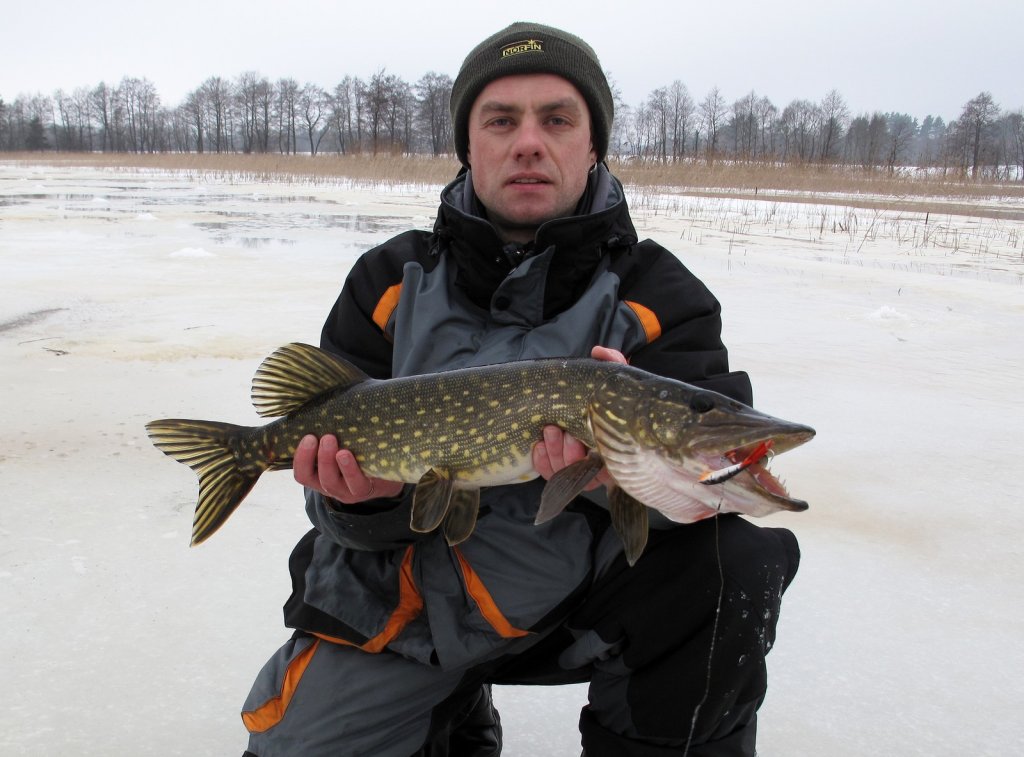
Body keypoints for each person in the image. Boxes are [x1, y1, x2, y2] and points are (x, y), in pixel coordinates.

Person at [241, 21, 799, 757]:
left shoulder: (661, 294)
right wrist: (365, 501)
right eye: (501, 121)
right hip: (400, 604)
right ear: (469, 146)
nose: (528, 142)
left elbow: (705, 496)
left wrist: (623, 476)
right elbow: (331, 499)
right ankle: (449, 715)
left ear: (592, 144)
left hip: (579, 603)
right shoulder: (386, 281)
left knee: (735, 566)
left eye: (558, 120)